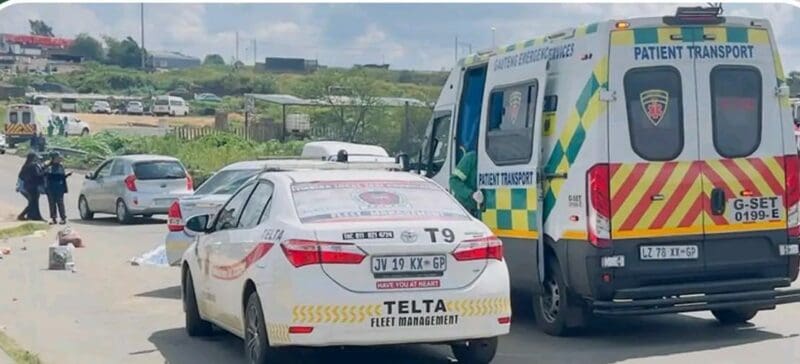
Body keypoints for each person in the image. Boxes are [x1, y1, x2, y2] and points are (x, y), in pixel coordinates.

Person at [449, 150, 482, 217]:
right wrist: (471, 194)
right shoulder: (471, 158)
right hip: (464, 209)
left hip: (480, 209)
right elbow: (453, 181)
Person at [44, 152, 71, 224]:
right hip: (50, 187)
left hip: (59, 187)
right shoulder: (48, 166)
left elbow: (61, 177)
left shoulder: (61, 166)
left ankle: (63, 218)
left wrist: (67, 175)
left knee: (60, 203)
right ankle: (53, 218)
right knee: (52, 203)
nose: (59, 159)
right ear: (53, 158)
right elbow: (46, 176)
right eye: (57, 158)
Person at [18, 152, 45, 221]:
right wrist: (44, 173)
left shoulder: (26, 165)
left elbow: (21, 176)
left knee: (33, 202)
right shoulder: (32, 166)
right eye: (36, 157)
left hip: (28, 186)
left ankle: (34, 216)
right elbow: (37, 175)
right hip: (31, 187)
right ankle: (26, 216)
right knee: (33, 202)